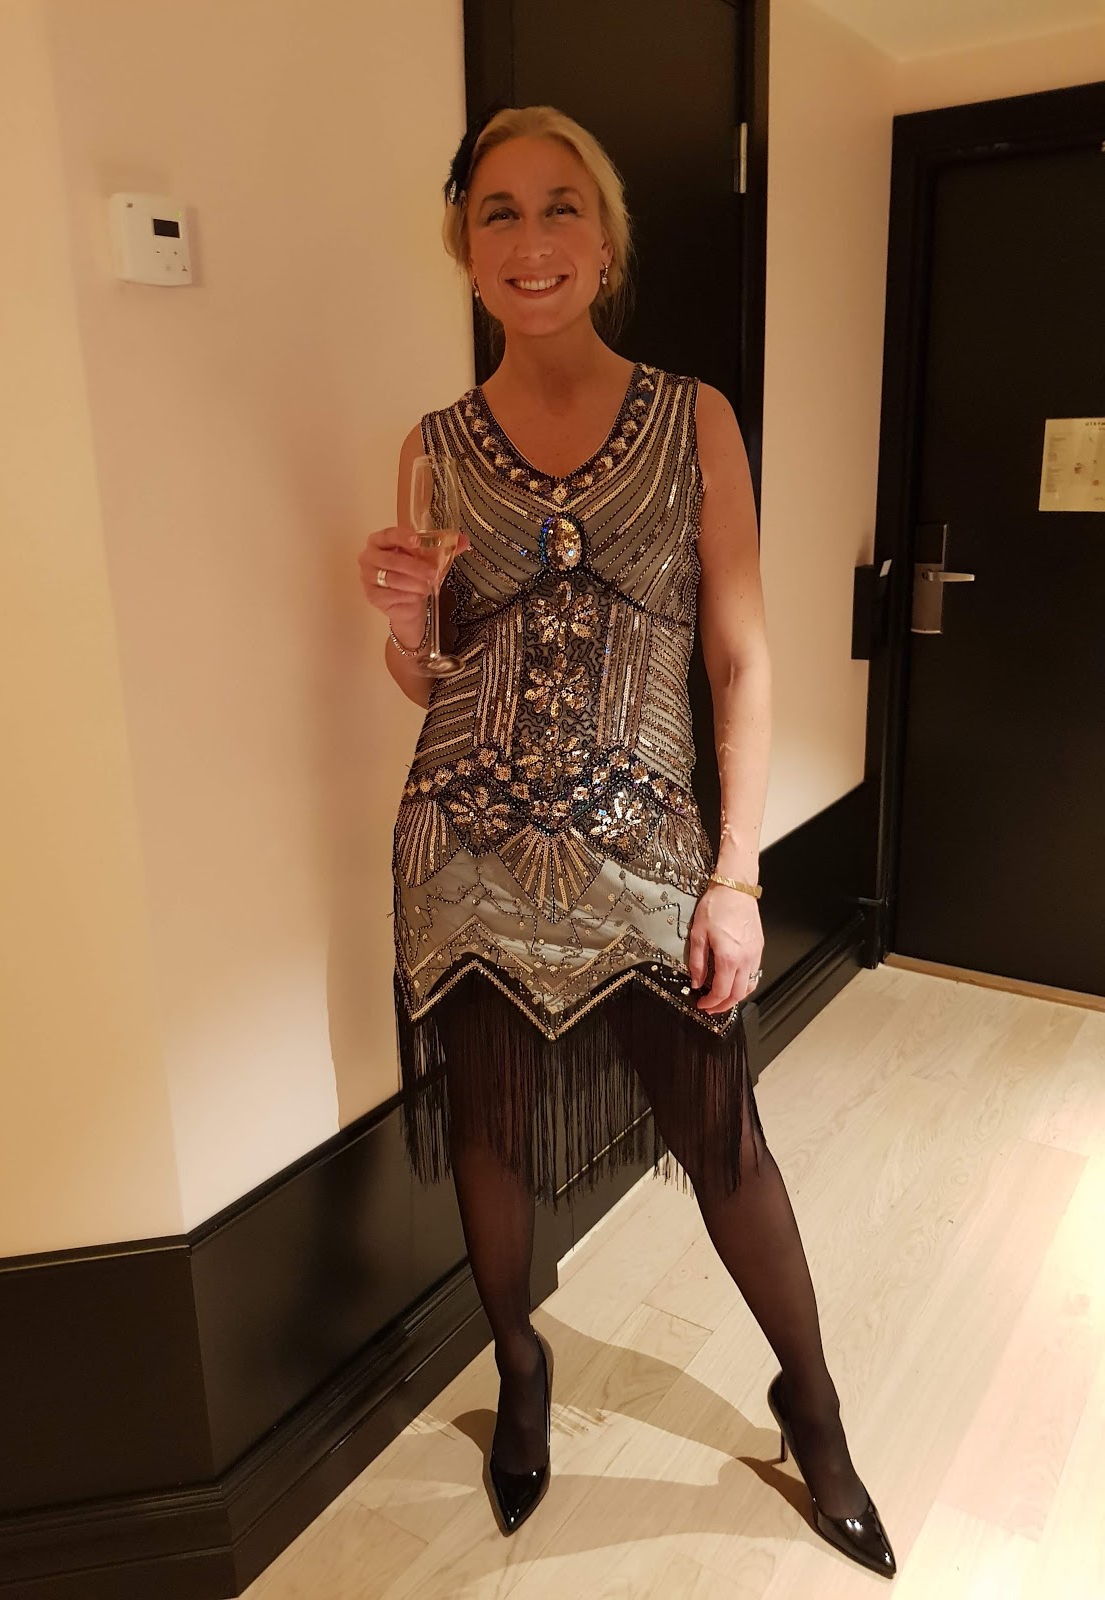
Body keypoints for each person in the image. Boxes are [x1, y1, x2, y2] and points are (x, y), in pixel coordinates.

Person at [357, 104, 896, 1577]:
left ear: (604, 242)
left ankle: (814, 1410)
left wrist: (738, 875)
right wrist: (402, 622)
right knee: (487, 1134)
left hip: (653, 851)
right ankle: (521, 1366)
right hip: (463, 851)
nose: (531, 240)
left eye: (561, 208)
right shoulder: (429, 447)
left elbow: (741, 655)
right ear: (466, 248)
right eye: (499, 212)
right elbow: (430, 673)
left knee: (725, 1144)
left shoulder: (691, 415)